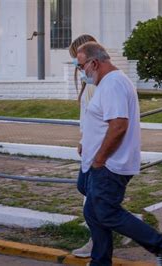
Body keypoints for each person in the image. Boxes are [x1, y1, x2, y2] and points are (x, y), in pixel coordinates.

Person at [76, 41, 162, 266]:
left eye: (82, 66)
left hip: (110, 165)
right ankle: (100, 261)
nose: (81, 72)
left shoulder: (112, 84)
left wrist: (100, 159)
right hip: (102, 164)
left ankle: (161, 244)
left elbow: (119, 125)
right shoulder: (108, 83)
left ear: (94, 62)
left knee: (107, 213)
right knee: (94, 213)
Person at [68, 34, 97, 258]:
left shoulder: (98, 83)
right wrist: (82, 139)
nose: (77, 68)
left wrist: (89, 142)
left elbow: (100, 119)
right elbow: (86, 115)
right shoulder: (88, 83)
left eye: (78, 62)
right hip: (89, 146)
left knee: (91, 197)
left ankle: (95, 241)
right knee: (87, 191)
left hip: (98, 149)